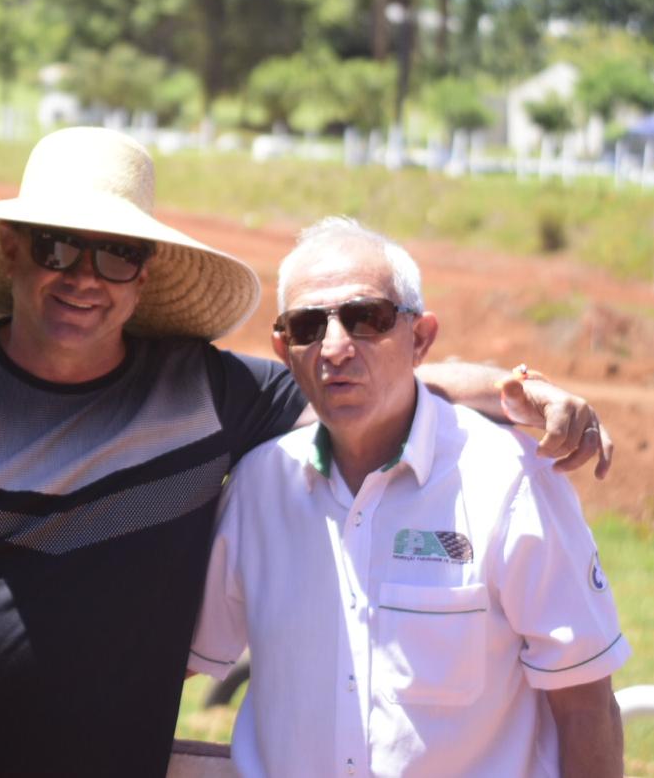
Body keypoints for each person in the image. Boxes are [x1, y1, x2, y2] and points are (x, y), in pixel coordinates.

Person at [0, 127, 612, 777]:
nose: (85, 276)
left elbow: (365, 373)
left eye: (116, 253)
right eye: (56, 246)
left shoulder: (210, 396)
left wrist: (518, 387)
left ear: (144, 275)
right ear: (11, 248)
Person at [189, 217, 628, 777]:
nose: (336, 347)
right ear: (283, 347)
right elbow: (182, 660)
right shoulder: (258, 489)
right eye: (307, 325)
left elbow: (586, 704)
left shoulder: (509, 482)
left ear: (419, 338)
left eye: (365, 318)